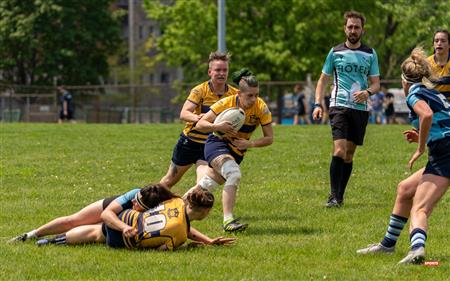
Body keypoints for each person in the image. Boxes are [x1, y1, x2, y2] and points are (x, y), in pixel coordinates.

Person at [356, 31, 450, 259]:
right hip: (442, 151)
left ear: (404, 80)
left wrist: (419, 147)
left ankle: (417, 249)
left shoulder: (414, 92)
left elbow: (427, 116)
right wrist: (420, 134)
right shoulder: (429, 90)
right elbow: (438, 118)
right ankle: (388, 245)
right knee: (405, 189)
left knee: (420, 207)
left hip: (445, 153)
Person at [9, 184, 232, 246]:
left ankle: (54, 242)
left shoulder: (166, 203)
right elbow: (107, 215)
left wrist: (208, 241)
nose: (136, 205)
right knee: (73, 220)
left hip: (129, 222)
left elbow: (183, 225)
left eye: (141, 205)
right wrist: (124, 227)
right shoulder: (133, 196)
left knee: (97, 235)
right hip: (112, 209)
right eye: (136, 202)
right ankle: (30, 235)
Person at [312, 11, 380, 207]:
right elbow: (322, 80)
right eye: (350, 26)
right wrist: (318, 104)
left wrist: (367, 92)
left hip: (360, 109)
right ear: (344, 28)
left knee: (349, 154)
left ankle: (340, 197)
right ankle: (333, 196)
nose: (353, 30)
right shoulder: (335, 52)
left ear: (362, 30)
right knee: (339, 150)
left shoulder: (370, 53)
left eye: (356, 27)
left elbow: (376, 84)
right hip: (338, 106)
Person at [194, 70, 273, 232]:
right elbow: (200, 125)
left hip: (237, 151)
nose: (254, 99)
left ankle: (175, 209)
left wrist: (249, 144)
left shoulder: (261, 108)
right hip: (216, 144)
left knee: (206, 185)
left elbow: (269, 138)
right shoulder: (226, 103)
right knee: (233, 173)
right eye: (250, 95)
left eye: (256, 95)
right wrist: (217, 126)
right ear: (239, 93)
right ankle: (228, 221)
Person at [159, 51, 238, 189]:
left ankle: (187, 208)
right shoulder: (199, 91)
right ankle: (146, 202)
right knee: (168, 181)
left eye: (225, 70)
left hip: (209, 145)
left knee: (202, 182)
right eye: (217, 70)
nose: (221, 73)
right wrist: (198, 118)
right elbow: (184, 113)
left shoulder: (234, 94)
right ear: (209, 72)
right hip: (189, 143)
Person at [427, 29, 449, 100]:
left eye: (443, 41)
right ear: (433, 44)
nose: (439, 43)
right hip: (432, 106)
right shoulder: (425, 64)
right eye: (436, 41)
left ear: (449, 45)